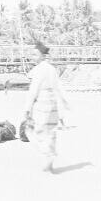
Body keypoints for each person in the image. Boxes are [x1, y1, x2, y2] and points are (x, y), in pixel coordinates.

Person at [24, 42, 68, 173]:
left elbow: (33, 91)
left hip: (42, 105)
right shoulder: (51, 69)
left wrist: (27, 108)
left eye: (35, 54)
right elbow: (58, 88)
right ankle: (50, 161)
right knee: (51, 133)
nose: (32, 57)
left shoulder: (38, 70)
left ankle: (48, 156)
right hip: (52, 104)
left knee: (35, 133)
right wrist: (62, 106)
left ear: (43, 56)